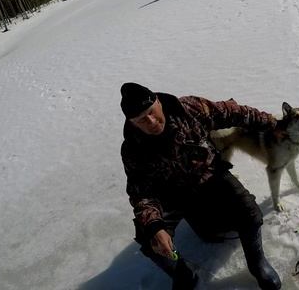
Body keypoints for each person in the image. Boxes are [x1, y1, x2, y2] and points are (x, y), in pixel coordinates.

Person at [119, 82, 282, 290]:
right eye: (141, 119)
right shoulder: (132, 149)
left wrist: (272, 123)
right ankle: (184, 274)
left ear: (158, 102)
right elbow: (141, 192)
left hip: (209, 177)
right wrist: (155, 226)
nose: (150, 121)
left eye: (151, 112)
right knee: (148, 237)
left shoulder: (189, 109)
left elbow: (233, 112)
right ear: (132, 123)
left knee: (250, 213)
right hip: (171, 196)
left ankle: (257, 263)